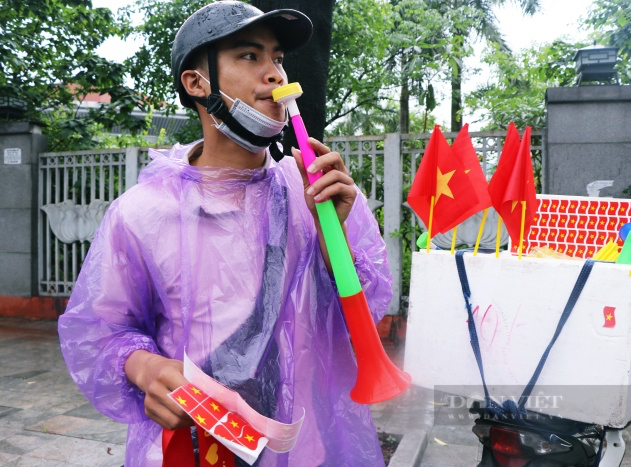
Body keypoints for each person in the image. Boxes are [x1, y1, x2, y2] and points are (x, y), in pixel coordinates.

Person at [57, 2, 392, 466]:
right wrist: (146, 366)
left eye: (277, 58)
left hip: (304, 447)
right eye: (250, 56)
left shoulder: (316, 193)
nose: (274, 74)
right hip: (193, 447)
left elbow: (364, 313)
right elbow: (99, 331)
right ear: (197, 84)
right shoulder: (142, 213)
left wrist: (334, 237)